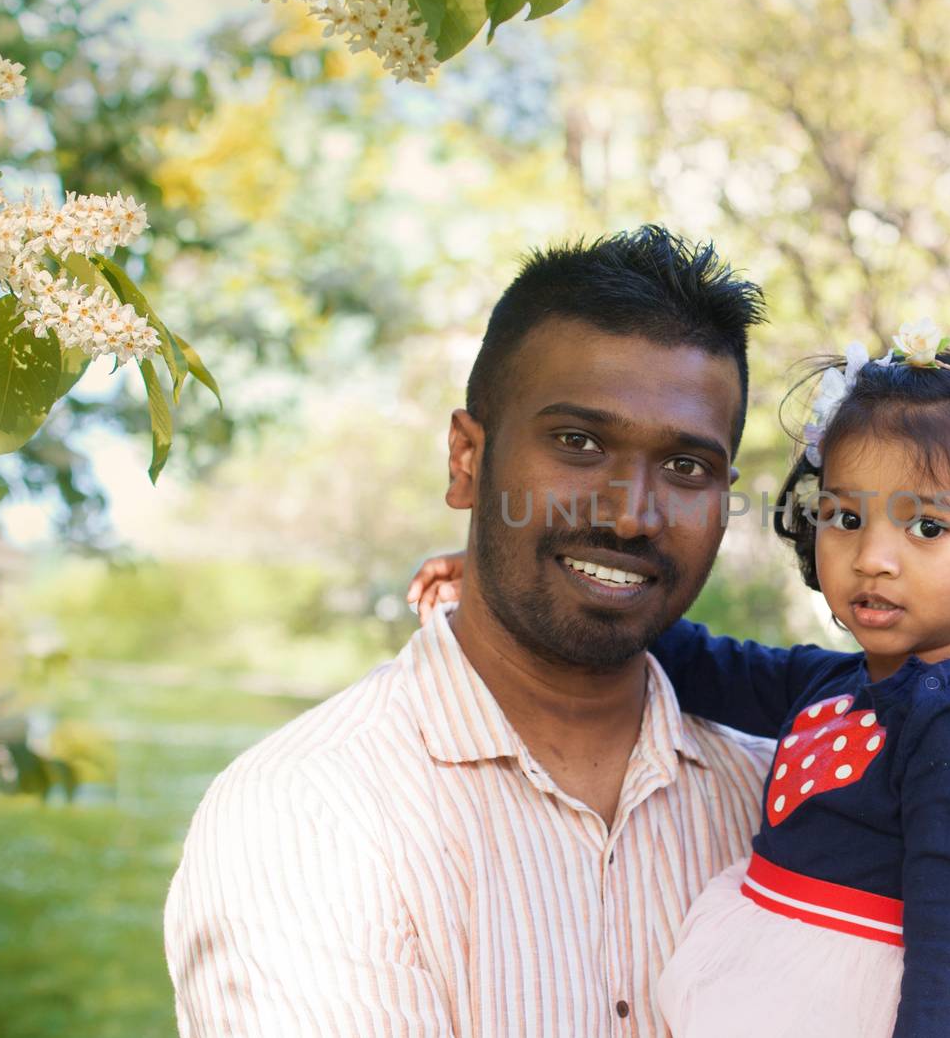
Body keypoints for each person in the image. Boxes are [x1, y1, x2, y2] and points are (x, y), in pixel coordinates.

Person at [411, 324, 950, 1036]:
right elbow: (695, 660)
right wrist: (515, 577)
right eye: (846, 516)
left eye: (928, 527)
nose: (873, 555)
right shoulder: (834, 685)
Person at [163, 225, 776, 1038]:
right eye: (578, 442)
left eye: (686, 466)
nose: (632, 513)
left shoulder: (789, 800)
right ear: (466, 459)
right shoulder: (311, 816)